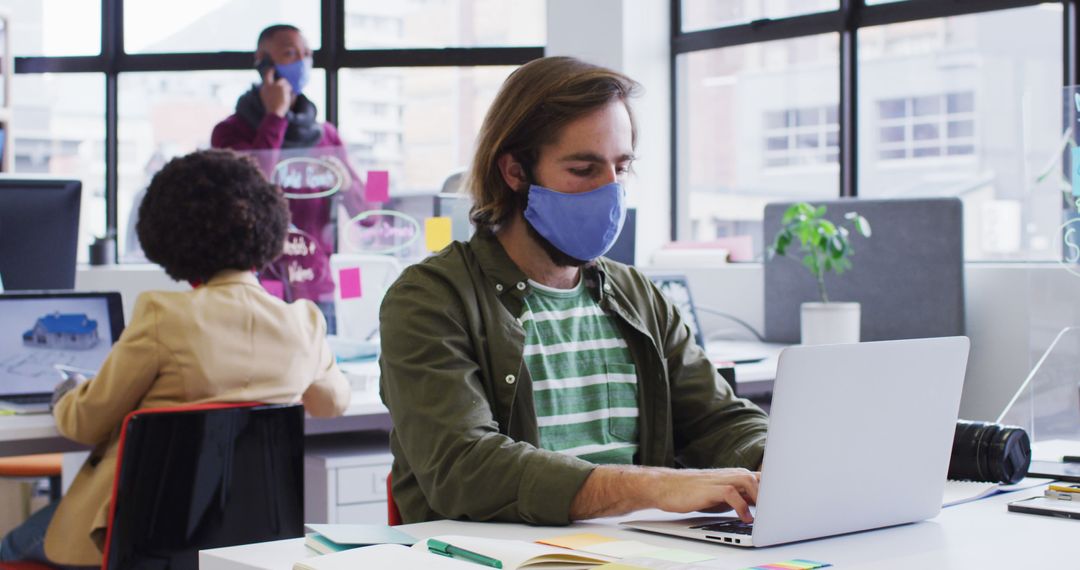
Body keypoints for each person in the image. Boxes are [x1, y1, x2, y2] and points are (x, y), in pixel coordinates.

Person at [379, 56, 769, 527]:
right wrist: (655, 486)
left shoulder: (636, 295)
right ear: (514, 171)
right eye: (584, 169)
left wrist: (775, 462)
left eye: (620, 169)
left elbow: (717, 418)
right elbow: (466, 467)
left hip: (635, 555)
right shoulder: (431, 298)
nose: (610, 192)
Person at [0, 149, 351, 568]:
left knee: (9, 547)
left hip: (130, 535)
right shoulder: (303, 322)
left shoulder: (163, 316)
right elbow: (331, 403)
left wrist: (68, 394)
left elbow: (84, 422)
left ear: (168, 235)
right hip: (243, 540)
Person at [212, 24, 370, 333]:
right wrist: (275, 117)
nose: (302, 62)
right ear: (263, 61)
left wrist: (348, 187)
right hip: (258, 287)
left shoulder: (325, 135)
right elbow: (250, 184)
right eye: (290, 53)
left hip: (316, 289)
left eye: (307, 54)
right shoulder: (229, 132)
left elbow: (368, 217)